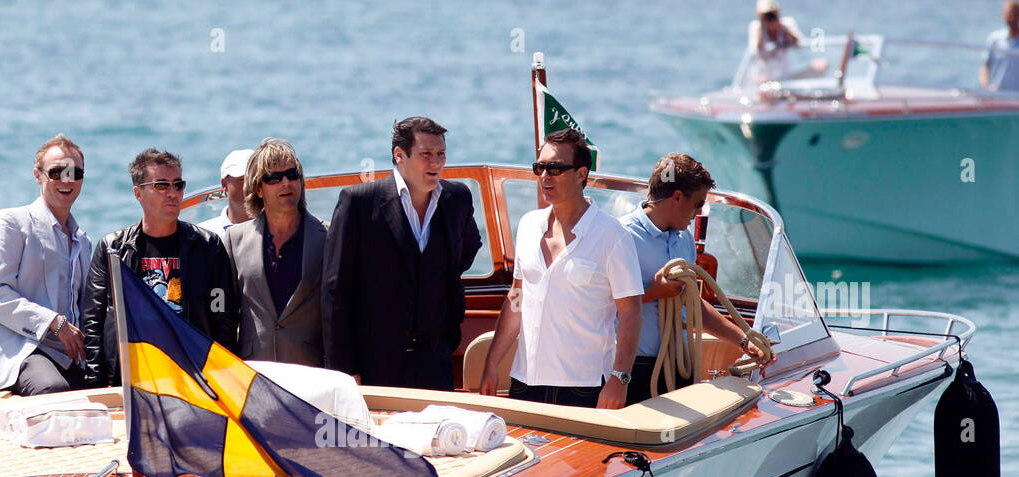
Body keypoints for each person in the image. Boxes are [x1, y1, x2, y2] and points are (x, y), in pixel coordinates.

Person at [479, 129, 643, 410]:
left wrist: (619, 380)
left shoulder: (612, 235)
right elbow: (516, 300)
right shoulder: (529, 225)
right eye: (539, 167)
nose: (545, 176)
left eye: (554, 168)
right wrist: (492, 363)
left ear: (581, 174)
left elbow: (631, 314)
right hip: (524, 382)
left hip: (585, 387)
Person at [323, 116, 482, 390]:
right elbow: (335, 291)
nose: (436, 162)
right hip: (374, 365)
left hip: (436, 361)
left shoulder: (457, 199)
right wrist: (345, 370)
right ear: (399, 155)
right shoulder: (359, 203)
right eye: (426, 154)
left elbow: (466, 251)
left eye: (441, 154)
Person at [619, 154, 772, 406]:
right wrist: (655, 292)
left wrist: (744, 340)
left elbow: (692, 306)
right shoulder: (621, 236)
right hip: (634, 367)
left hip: (679, 364)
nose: (699, 212)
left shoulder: (684, 239)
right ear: (677, 197)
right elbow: (597, 304)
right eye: (698, 204)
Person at [80, 148, 239, 387]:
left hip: (192, 373)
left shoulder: (207, 246)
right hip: (132, 374)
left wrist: (221, 377)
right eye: (161, 186)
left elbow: (223, 318)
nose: (173, 193)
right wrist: (98, 381)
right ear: (138, 193)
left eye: (178, 184)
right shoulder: (113, 248)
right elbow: (93, 321)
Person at [0, 134, 91, 395]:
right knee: (53, 388)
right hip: (22, 351)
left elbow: (86, 309)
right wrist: (54, 322)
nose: (66, 180)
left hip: (71, 357)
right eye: (57, 172)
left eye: (75, 172)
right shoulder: (11, 223)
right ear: (38, 176)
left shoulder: (84, 242)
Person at [224, 139, 327, 366]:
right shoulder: (234, 239)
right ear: (258, 188)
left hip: (312, 370)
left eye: (292, 175)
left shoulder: (327, 237)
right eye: (274, 178)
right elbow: (226, 317)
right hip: (254, 371)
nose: (286, 183)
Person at [199, 149, 254, 238]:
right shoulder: (203, 235)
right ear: (224, 184)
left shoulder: (279, 230)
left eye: (254, 179)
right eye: (242, 179)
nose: (249, 185)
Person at [747, 1, 803, 83]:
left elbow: (800, 45)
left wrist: (783, 28)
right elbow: (755, 52)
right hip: (764, 78)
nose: (771, 18)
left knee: (821, 65)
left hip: (786, 77)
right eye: (767, 16)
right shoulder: (756, 28)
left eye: (773, 15)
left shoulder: (787, 24)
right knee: (763, 81)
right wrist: (762, 27)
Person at [981, 2, 1019, 91]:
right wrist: (985, 87)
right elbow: (986, 65)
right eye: (1008, 14)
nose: (1011, 17)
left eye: (1014, 13)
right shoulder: (995, 39)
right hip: (997, 93)